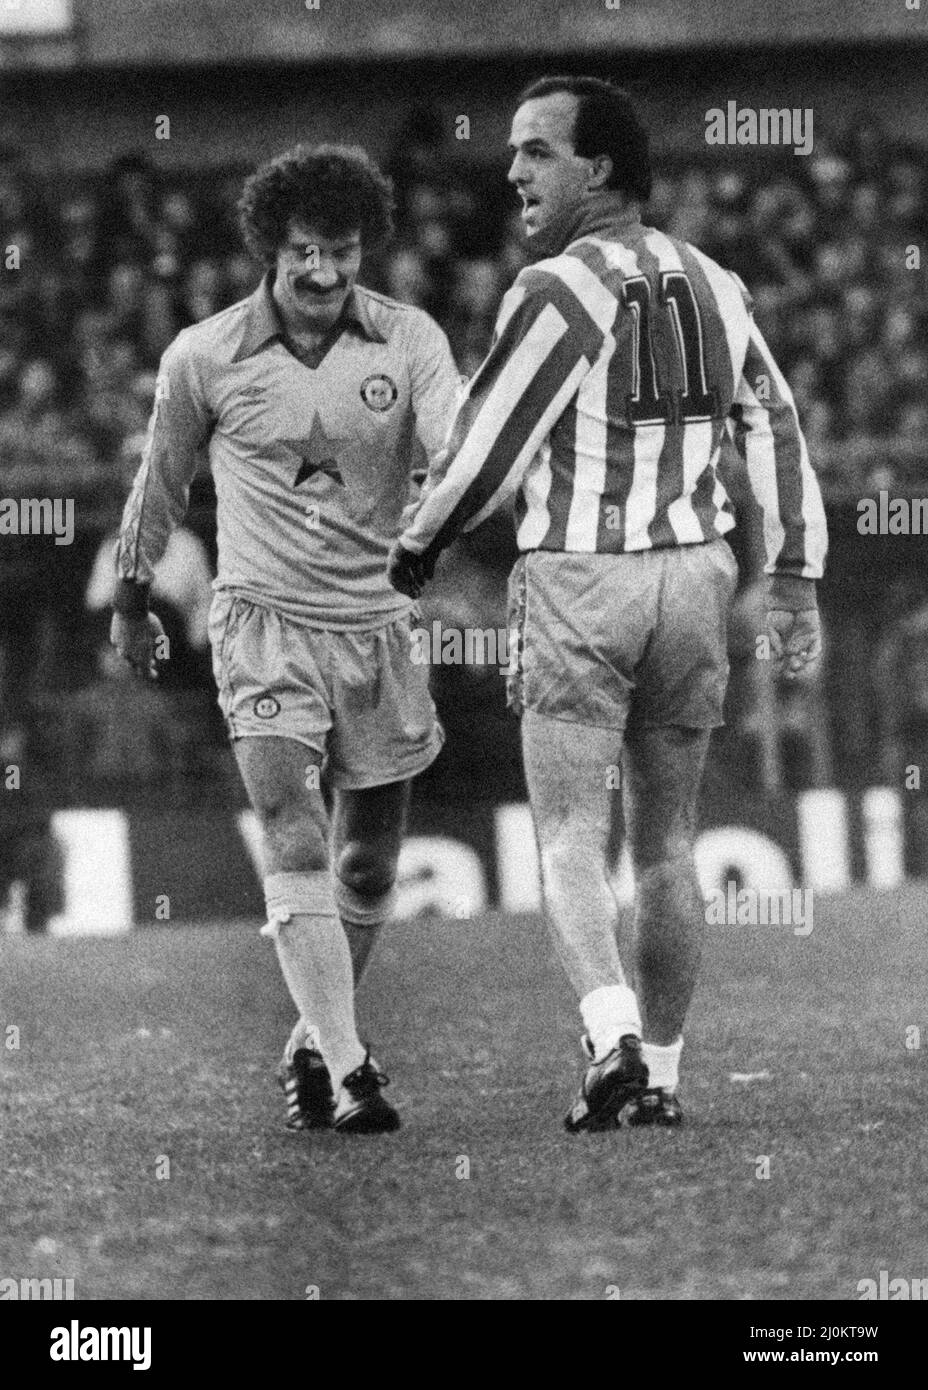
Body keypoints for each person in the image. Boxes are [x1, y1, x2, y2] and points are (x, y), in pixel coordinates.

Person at [389, 77, 828, 1131]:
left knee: (569, 834)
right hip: (696, 579)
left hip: (584, 577)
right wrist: (796, 572)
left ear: (598, 170)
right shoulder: (712, 279)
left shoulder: (558, 287)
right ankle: (664, 1076)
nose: (513, 171)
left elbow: (490, 450)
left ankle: (609, 1035)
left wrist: (416, 543)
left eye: (536, 151)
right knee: (668, 840)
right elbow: (772, 423)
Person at [111, 144, 460, 1134]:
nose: (323, 273)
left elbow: (456, 438)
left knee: (366, 869)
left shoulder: (408, 340)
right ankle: (352, 1069)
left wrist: (448, 501)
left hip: (380, 627)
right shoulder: (203, 355)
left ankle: (313, 1040)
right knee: (297, 832)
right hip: (262, 626)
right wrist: (133, 596)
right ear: (270, 248)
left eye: (343, 251)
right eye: (305, 251)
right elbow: (162, 482)